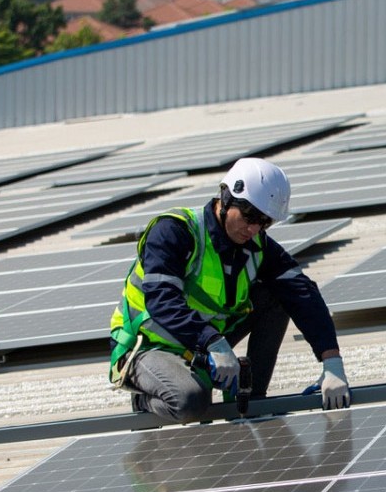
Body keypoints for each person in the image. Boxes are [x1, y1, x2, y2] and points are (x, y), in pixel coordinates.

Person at [109, 157, 350, 423]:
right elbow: (162, 301)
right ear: (225, 198)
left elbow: (302, 293)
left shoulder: (256, 244)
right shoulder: (174, 231)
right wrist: (211, 341)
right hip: (151, 344)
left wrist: (332, 361)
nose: (254, 228)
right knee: (191, 401)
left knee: (279, 294)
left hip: (204, 340)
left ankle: (250, 398)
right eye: (249, 217)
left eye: (264, 221)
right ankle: (144, 399)